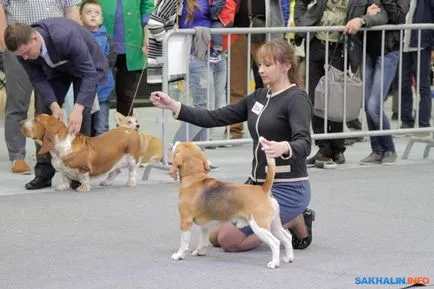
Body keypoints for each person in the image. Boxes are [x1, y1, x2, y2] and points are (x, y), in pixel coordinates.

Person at [151, 39, 315, 251]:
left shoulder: (297, 99)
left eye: (268, 65)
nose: (261, 70)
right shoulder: (257, 97)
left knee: (229, 241)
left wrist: (285, 147)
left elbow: (305, 143)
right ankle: (282, 219)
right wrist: (174, 106)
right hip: (256, 186)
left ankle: (293, 219)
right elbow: (214, 117)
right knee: (215, 237)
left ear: (286, 66)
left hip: (288, 186)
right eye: (259, 65)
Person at [4, 18, 108, 190]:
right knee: (43, 112)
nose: (24, 58)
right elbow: (37, 79)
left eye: (27, 52)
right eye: (21, 55)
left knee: (81, 116)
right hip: (56, 69)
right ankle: (43, 174)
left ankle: (78, 172)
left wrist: (78, 108)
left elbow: (89, 73)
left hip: (86, 68)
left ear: (35, 39)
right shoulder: (23, 51)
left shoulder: (65, 36)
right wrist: (53, 104)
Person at [295, 0, 381, 169]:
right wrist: (301, 23)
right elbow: (301, 3)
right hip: (315, 44)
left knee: (336, 99)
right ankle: (324, 148)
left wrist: (364, 19)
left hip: (341, 47)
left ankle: (336, 149)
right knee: (315, 97)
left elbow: (376, 12)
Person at [0, 0, 81, 175]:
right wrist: (3, 40)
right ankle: (17, 156)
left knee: (48, 104)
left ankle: (45, 156)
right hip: (19, 45)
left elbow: (71, 10)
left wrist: (78, 38)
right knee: (18, 102)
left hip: (53, 46)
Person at [345, 1, 407, 165]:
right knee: (367, 104)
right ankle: (377, 149)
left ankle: (389, 148)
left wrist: (382, 5)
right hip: (367, 50)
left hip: (388, 51)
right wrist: (365, 13)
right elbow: (352, 11)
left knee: (374, 105)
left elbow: (399, 17)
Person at [228, 0, 284, 140]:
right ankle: (235, 130)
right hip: (237, 32)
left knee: (270, 83)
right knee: (236, 85)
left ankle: (272, 126)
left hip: (262, 33)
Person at [99, 0, 154, 116]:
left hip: (132, 45)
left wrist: (147, 34)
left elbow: (147, 6)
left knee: (126, 95)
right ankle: (99, 133)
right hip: (100, 43)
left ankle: (125, 132)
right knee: (100, 94)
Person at [80, 0, 117, 136]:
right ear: (81, 17)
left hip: (103, 89)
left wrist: (99, 65)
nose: (93, 16)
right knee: (85, 129)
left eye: (96, 13)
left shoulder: (107, 38)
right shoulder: (78, 37)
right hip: (84, 92)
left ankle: (103, 155)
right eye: (88, 12)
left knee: (102, 127)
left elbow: (112, 57)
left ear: (101, 18)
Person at [400, 0, 434, 130]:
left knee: (423, 85)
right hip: (404, 44)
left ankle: (424, 123)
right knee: (404, 84)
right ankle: (406, 121)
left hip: (422, 43)